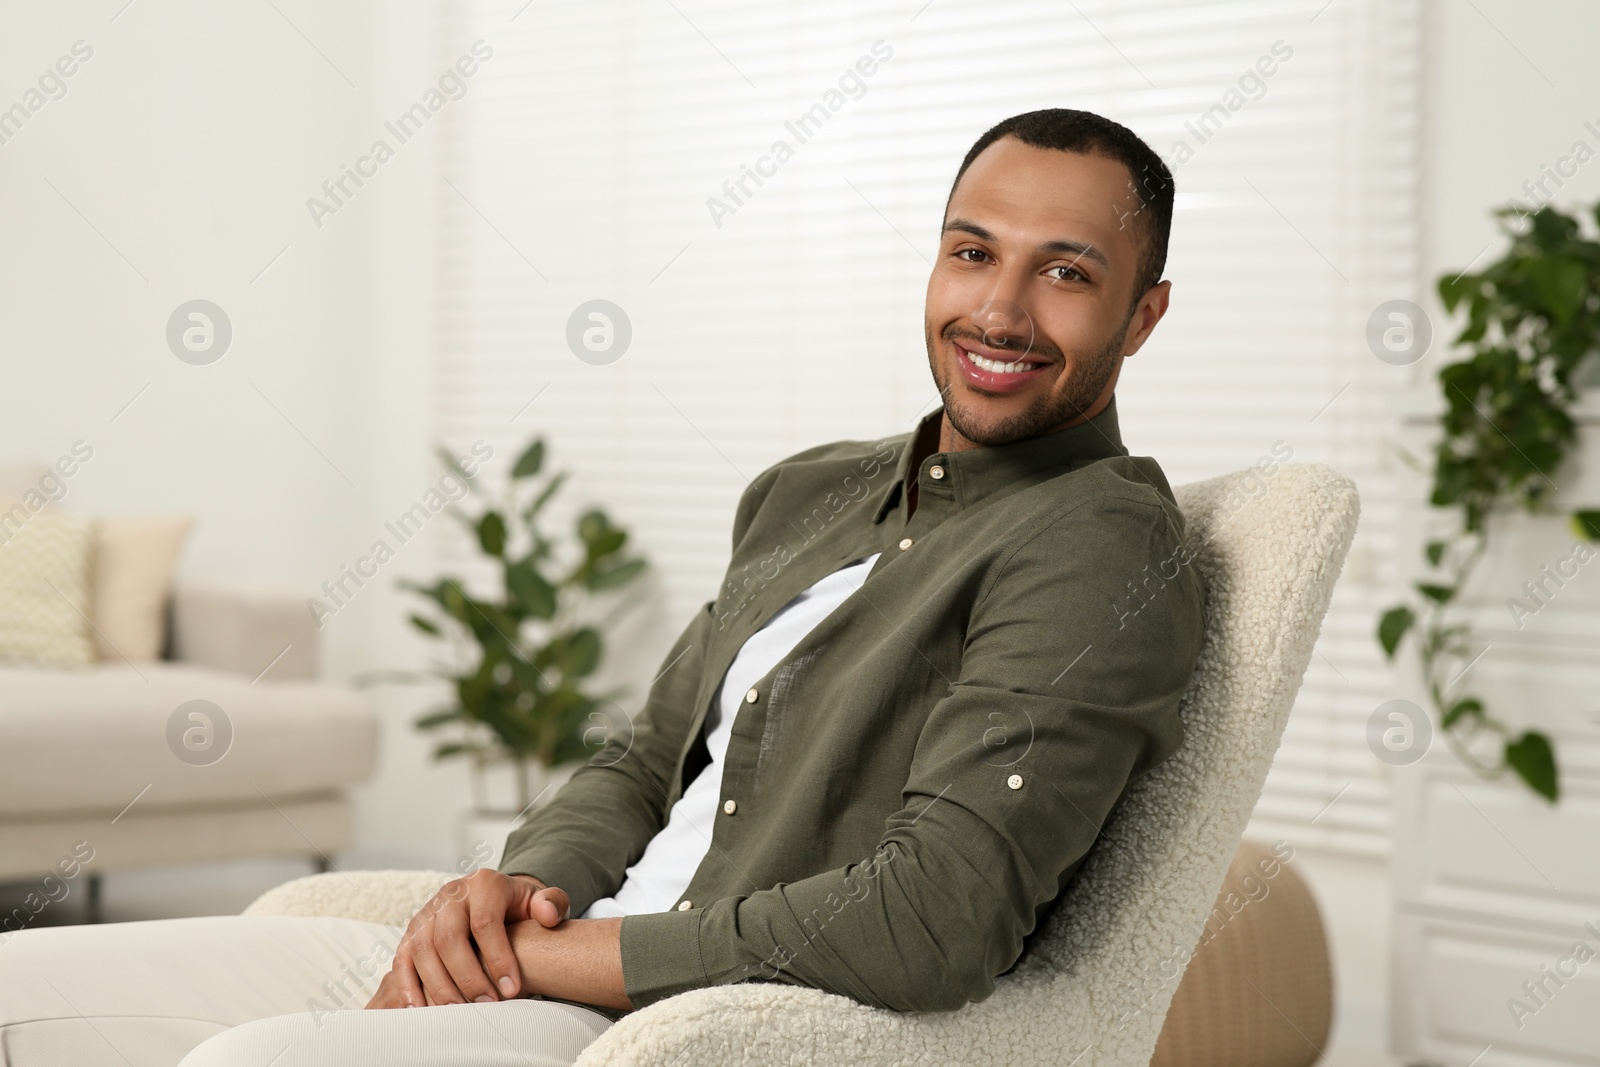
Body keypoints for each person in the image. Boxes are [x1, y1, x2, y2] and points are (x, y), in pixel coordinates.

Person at [0, 108, 1204, 1067]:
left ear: (1143, 317)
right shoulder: (812, 491)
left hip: (674, 1018)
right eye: (971, 251)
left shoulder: (1096, 542)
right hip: (558, 947)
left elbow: (936, 915)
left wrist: (553, 957)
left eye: (1065, 273)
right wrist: (523, 887)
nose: (996, 307)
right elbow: (643, 759)